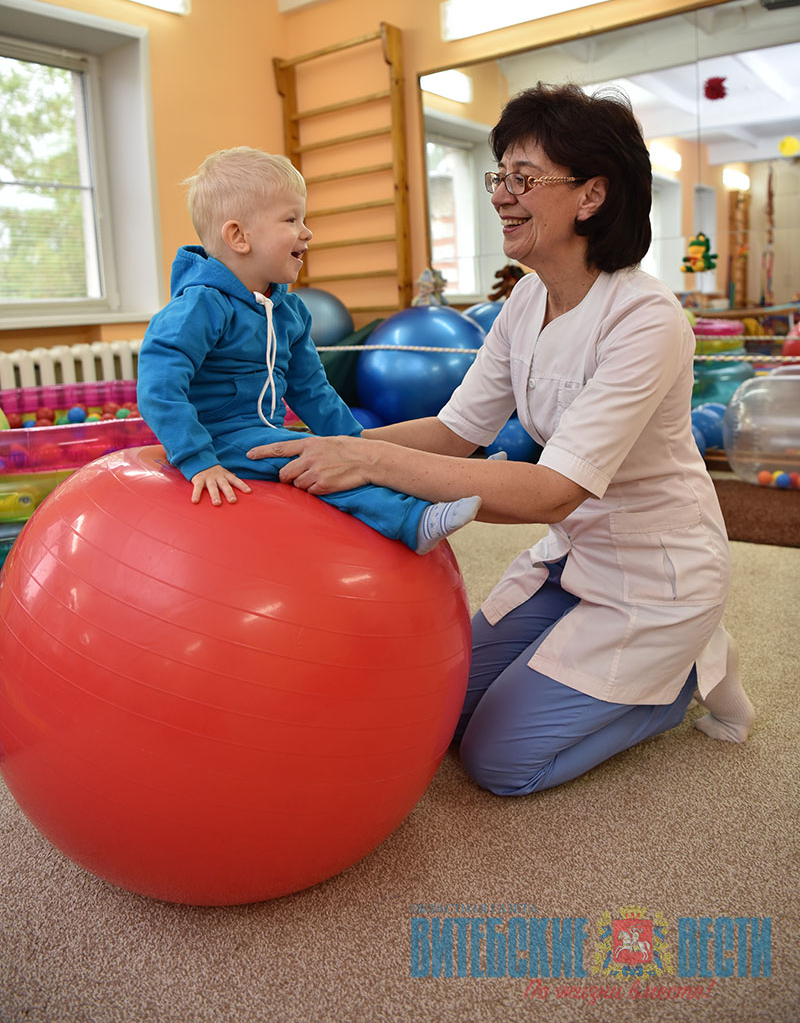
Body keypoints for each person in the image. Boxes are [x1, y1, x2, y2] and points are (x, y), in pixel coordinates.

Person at [246, 83, 755, 796]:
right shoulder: (524, 298)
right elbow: (456, 431)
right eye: (499, 176)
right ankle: (606, 666)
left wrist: (367, 455)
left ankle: (674, 687)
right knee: (442, 712)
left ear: (590, 196)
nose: (501, 195)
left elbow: (551, 491)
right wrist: (304, 446)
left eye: (524, 178)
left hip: (656, 576)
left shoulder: (647, 317)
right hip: (577, 556)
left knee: (499, 763)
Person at [136, 147, 480, 554]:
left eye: (304, 219)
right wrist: (198, 458)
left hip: (264, 432)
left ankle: (450, 484)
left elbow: (312, 389)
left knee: (343, 455)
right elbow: (159, 387)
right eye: (291, 219)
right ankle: (410, 519)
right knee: (307, 467)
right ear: (238, 237)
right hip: (217, 439)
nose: (307, 231)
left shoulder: (288, 311)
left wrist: (354, 444)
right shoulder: (200, 306)